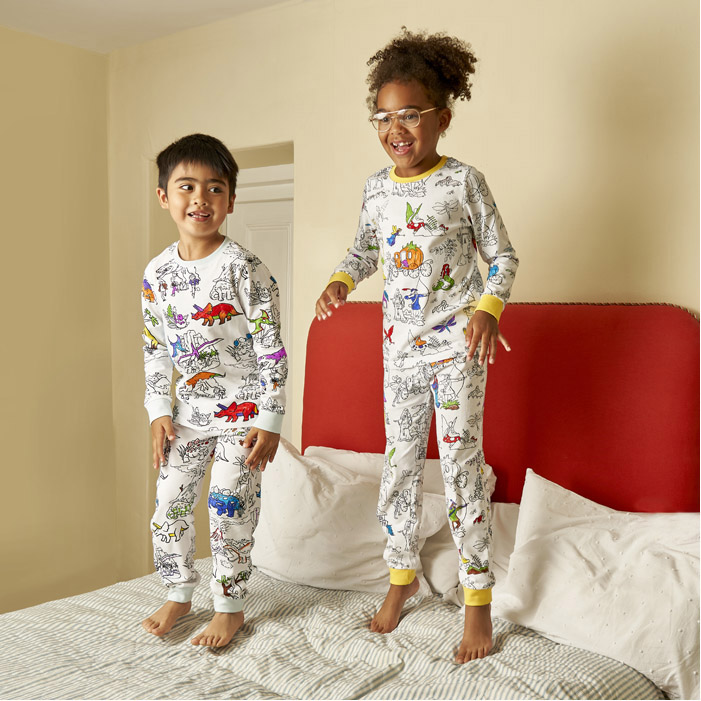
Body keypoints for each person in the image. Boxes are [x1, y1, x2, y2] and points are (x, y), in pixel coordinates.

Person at [314, 29, 518, 662]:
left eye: (408, 114)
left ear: (441, 118)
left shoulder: (463, 182)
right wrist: (341, 280)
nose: (394, 129)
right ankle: (400, 577)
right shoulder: (377, 189)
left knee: (459, 465)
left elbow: (503, 256)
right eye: (382, 117)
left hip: (457, 346)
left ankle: (477, 600)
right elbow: (364, 250)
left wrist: (487, 309)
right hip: (398, 349)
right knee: (399, 463)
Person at [140, 133, 287, 647]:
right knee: (169, 504)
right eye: (187, 187)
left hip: (244, 414)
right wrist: (158, 410)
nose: (200, 199)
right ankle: (179, 591)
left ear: (230, 200)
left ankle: (229, 606)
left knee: (229, 505)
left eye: (215, 188)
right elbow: (155, 347)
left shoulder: (245, 268)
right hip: (187, 414)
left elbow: (271, 349)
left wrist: (271, 420)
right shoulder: (157, 273)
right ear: (165, 196)